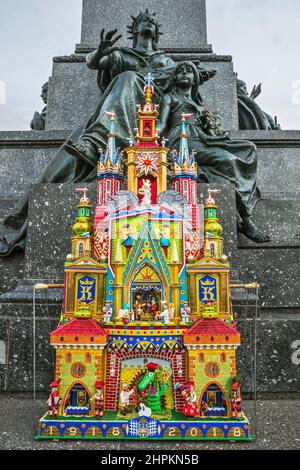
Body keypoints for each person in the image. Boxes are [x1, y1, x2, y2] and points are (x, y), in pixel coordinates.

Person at [0, 10, 178, 257]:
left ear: (157, 32)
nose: (148, 23)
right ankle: (97, 137)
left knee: (128, 78)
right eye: (143, 21)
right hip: (117, 113)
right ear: (135, 29)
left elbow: (181, 85)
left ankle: (95, 140)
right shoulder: (121, 55)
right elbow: (93, 62)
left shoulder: (166, 62)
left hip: (156, 114)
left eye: (152, 22)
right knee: (59, 167)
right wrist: (100, 50)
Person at [158, 61, 270, 243]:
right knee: (226, 161)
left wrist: (215, 132)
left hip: (202, 140)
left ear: (195, 79)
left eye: (189, 71)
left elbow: (210, 132)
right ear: (175, 78)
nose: (184, 73)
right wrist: (144, 140)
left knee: (248, 149)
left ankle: (243, 214)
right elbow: (161, 125)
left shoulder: (201, 108)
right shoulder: (169, 99)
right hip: (182, 140)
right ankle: (247, 220)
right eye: (180, 71)